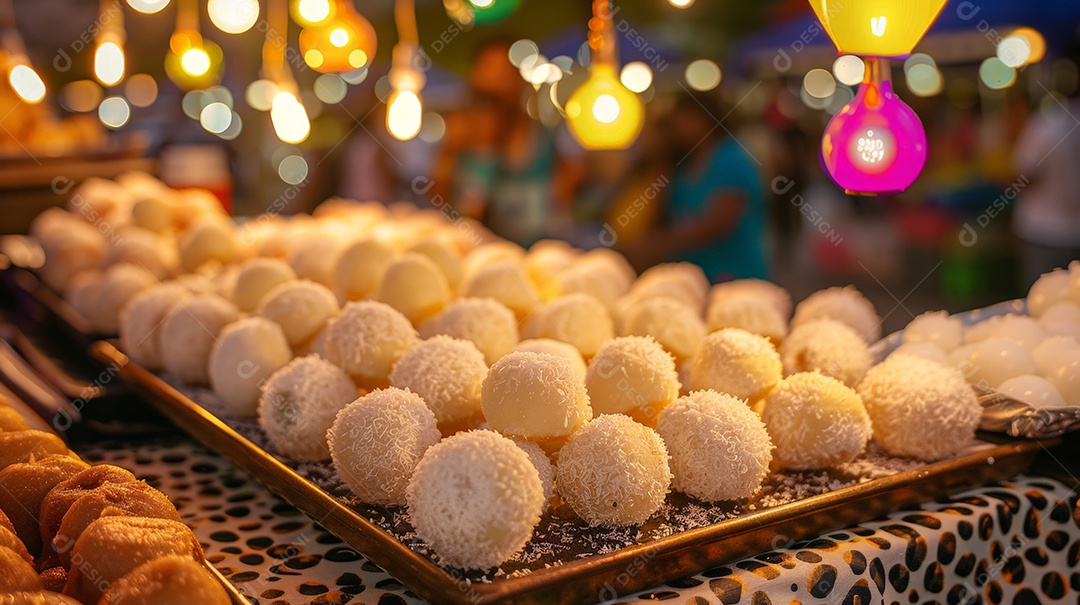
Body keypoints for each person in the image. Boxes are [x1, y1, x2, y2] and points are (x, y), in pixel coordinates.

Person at [433, 40, 580, 247]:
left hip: (534, 253)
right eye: (487, 74)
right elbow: (441, 208)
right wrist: (448, 155)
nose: (494, 82)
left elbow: (565, 195)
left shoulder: (542, 138)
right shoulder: (462, 141)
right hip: (474, 253)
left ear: (519, 81)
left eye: (503, 74)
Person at [625, 91, 769, 281]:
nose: (680, 128)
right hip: (694, 273)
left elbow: (720, 221)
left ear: (706, 119)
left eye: (687, 120)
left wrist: (663, 243)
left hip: (734, 273)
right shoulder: (685, 160)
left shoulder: (731, 158)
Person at [1011, 50, 1080, 284]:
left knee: (1043, 304)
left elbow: (1024, 175)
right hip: (1062, 232)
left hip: (1043, 231)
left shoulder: (1046, 123)